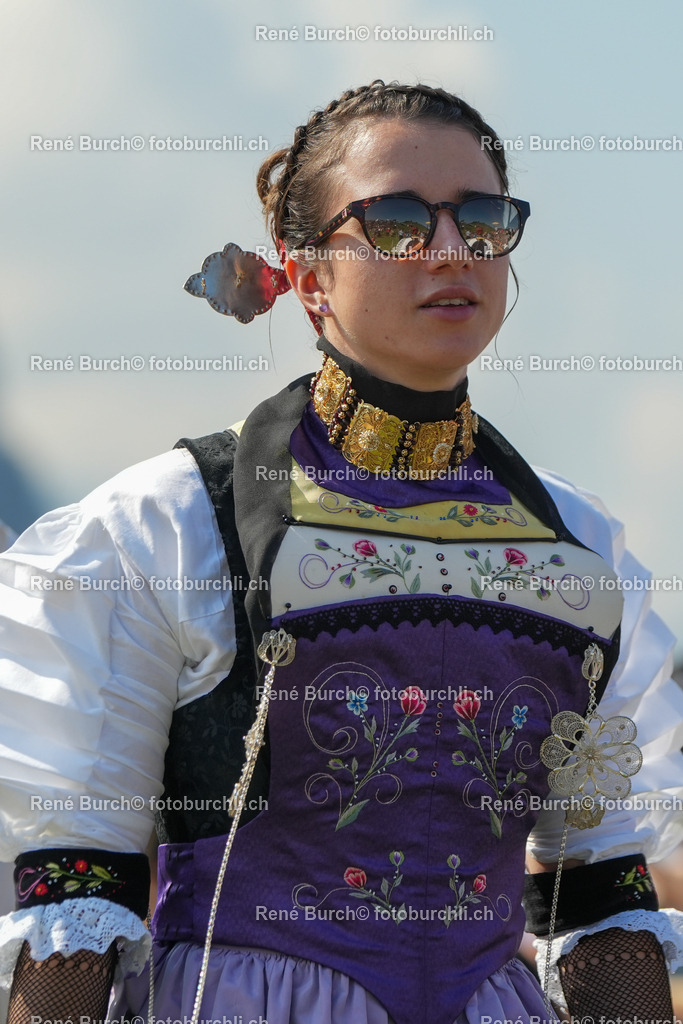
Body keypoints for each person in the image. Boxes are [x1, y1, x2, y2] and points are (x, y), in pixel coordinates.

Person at [1, 80, 682, 1024]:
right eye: (399, 221)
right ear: (308, 275)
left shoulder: (576, 548)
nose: (452, 251)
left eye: (481, 221)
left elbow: (602, 890)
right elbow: (83, 886)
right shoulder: (170, 521)